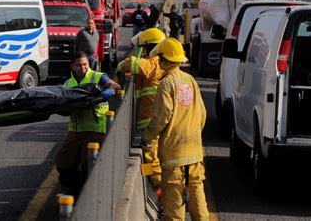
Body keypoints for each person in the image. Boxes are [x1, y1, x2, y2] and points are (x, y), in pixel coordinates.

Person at [142, 38, 209, 220]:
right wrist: (193, 134)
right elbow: (202, 114)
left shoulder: (166, 83)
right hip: (194, 152)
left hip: (174, 156)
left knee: (174, 208)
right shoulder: (190, 80)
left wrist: (146, 137)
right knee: (198, 200)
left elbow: (160, 118)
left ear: (164, 59)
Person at [55, 51, 120, 198]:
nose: (82, 67)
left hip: (95, 129)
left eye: (85, 64)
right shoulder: (68, 84)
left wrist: (109, 90)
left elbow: (114, 84)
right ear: (72, 66)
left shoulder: (97, 76)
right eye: (78, 65)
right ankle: (71, 191)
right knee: (63, 162)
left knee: (88, 164)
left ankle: (86, 197)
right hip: (76, 130)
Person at [117, 28, 165, 195]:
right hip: (157, 121)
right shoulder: (162, 64)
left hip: (151, 123)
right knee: (155, 158)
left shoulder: (153, 63)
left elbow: (131, 64)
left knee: (151, 159)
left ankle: (161, 195)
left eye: (143, 49)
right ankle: (157, 193)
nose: (142, 52)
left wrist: (122, 65)